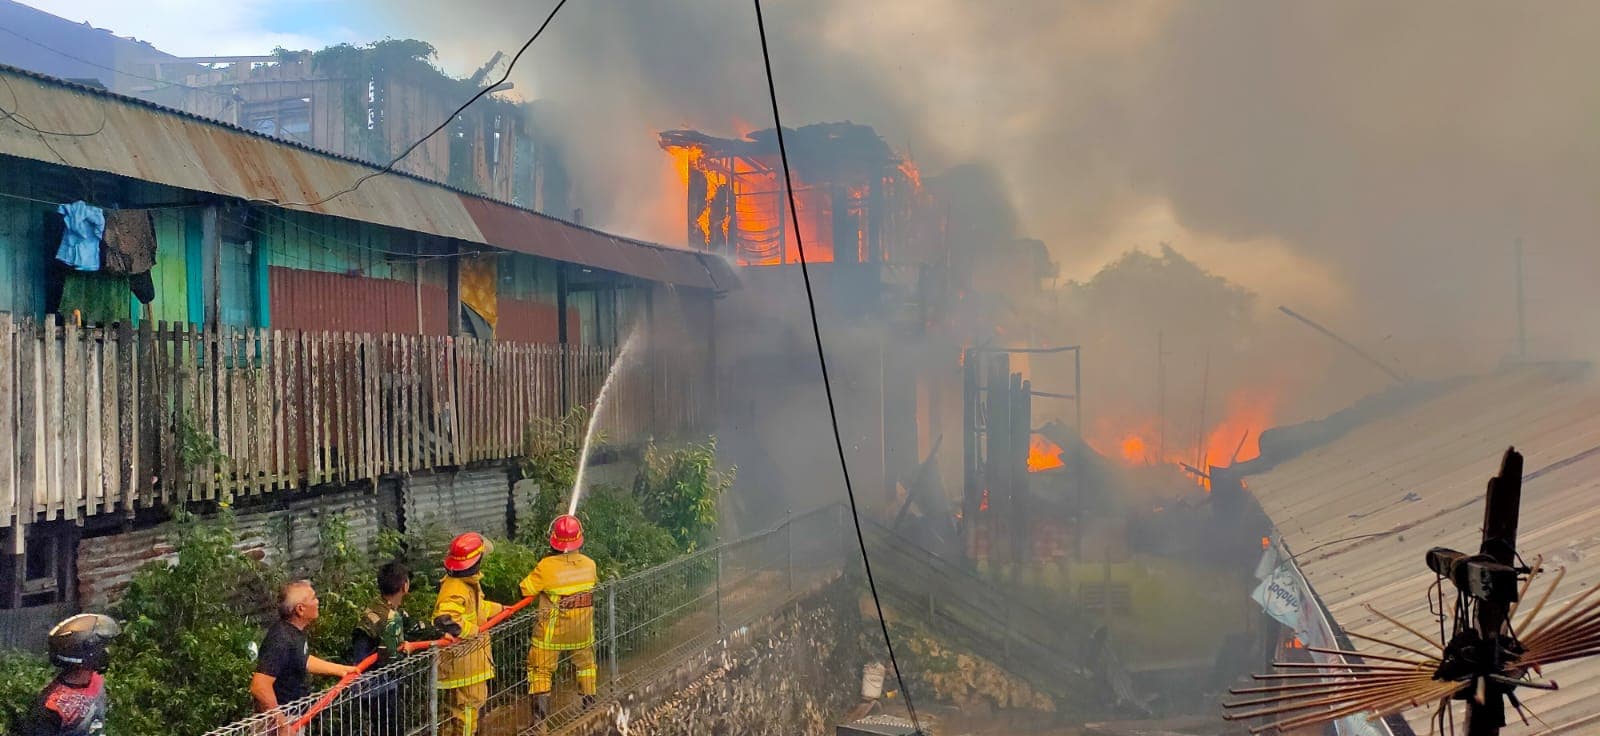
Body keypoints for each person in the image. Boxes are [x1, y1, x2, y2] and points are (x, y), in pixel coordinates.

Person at [519, 514, 598, 723]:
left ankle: (540, 722)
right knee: (586, 666)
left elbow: (524, 589)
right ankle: (589, 708)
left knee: (540, 671)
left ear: (552, 538)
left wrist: (548, 562)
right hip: (582, 631)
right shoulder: (590, 565)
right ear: (580, 538)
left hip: (551, 635)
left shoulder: (546, 567)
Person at [432, 532, 506, 736]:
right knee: (466, 710)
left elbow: (478, 608)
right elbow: (445, 619)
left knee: (467, 708)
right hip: (462, 662)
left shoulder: (467, 583)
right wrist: (473, 631)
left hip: (469, 662)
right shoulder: (455, 587)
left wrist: (501, 609)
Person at [252, 581, 357, 720]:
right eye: (313, 598)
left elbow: (302, 658)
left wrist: (341, 670)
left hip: (291, 715)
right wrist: (282, 723)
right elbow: (259, 686)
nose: (318, 601)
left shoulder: (294, 632)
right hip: (278, 720)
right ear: (300, 609)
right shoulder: (281, 640)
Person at [17, 613, 120, 736]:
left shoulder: (95, 680)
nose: (106, 652)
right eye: (101, 648)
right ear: (87, 654)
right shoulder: (52, 706)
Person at [351, 561, 417, 736]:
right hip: (379, 686)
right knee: (391, 729)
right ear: (405, 586)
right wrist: (406, 651)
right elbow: (390, 659)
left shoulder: (375, 606)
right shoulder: (391, 617)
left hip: (362, 681)